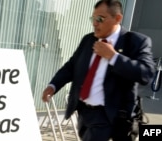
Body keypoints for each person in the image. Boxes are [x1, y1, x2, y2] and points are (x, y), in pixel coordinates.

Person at [41, 0, 155, 141]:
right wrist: (53, 86)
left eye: (100, 19)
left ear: (117, 18)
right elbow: (71, 67)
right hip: (84, 113)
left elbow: (147, 74)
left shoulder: (136, 42)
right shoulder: (88, 40)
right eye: (93, 18)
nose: (95, 23)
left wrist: (113, 57)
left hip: (109, 116)